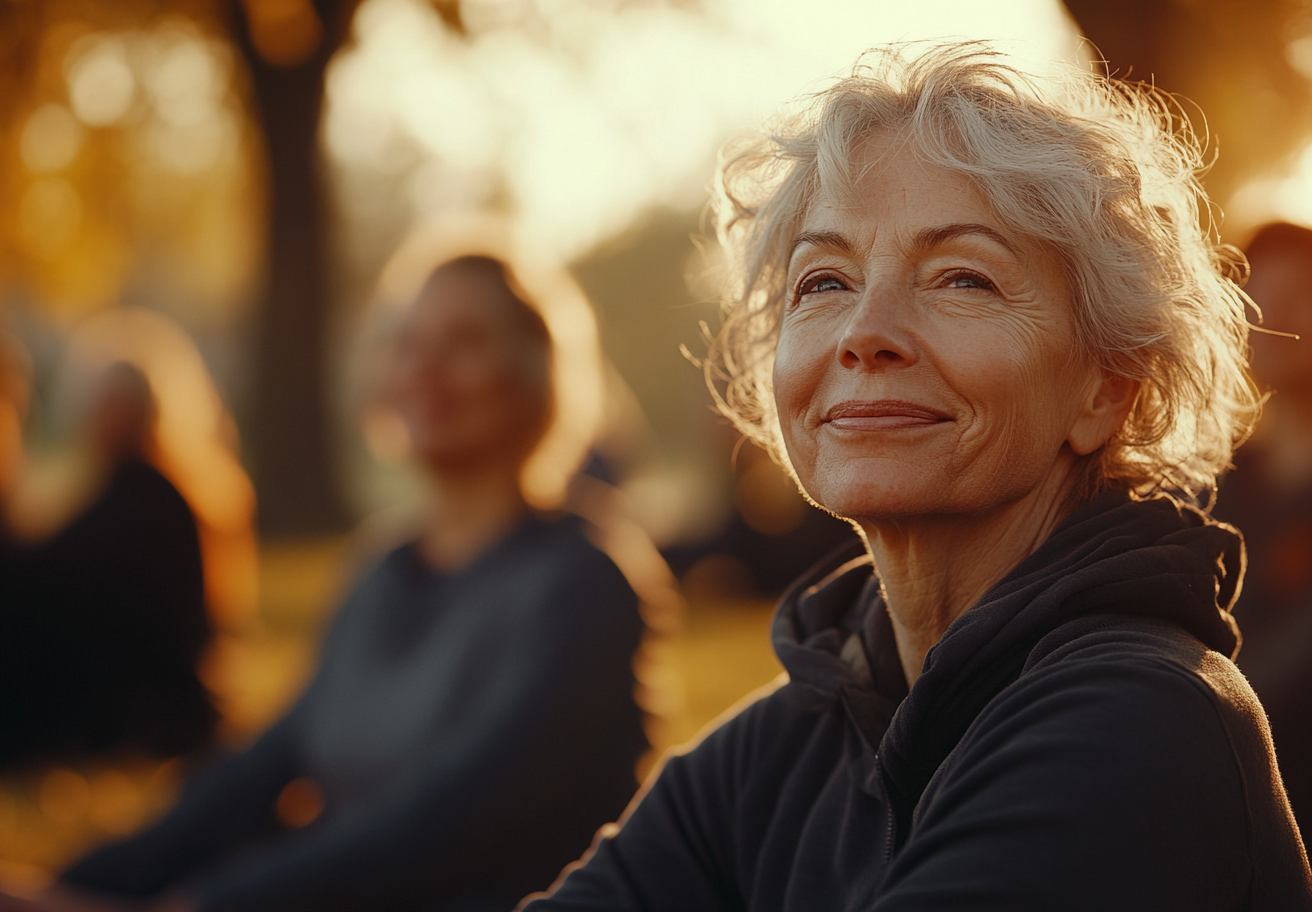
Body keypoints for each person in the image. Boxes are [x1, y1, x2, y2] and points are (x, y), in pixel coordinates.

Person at [524, 44, 1312, 910]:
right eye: (822, 281)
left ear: (1104, 389)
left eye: (963, 278)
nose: (867, 332)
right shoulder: (781, 747)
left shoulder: (1145, 724)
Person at [6, 254, 650, 912]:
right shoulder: (378, 571)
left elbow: (450, 825)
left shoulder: (587, 583)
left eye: (465, 342)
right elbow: (256, 775)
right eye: (410, 343)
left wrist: (201, 907)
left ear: (531, 372)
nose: (425, 367)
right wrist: (70, 884)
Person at [0, 360, 215, 769]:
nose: (93, 418)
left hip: (140, 703)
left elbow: (52, 577)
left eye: (107, 405)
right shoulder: (139, 494)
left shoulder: (145, 500)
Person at [1213, 221, 1312, 841]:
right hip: (1226, 798)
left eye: (1297, 296)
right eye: (1257, 300)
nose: (1272, 317)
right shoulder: (1215, 480)